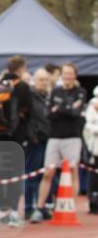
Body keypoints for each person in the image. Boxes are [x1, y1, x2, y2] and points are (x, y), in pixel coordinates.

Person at [31, 62, 87, 222]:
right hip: (54, 137)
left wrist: (61, 108)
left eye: (70, 73)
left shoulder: (80, 92)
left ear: (75, 75)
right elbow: (49, 113)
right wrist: (66, 109)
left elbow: (75, 113)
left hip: (72, 137)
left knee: (72, 170)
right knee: (48, 172)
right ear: (62, 75)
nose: (67, 76)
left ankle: (70, 206)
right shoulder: (55, 91)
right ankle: (39, 207)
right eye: (65, 73)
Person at [0, 55, 31, 226]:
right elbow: (29, 111)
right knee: (15, 174)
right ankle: (12, 210)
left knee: (0, 172)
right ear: (21, 68)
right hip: (16, 137)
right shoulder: (22, 86)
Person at [24, 68, 51, 219]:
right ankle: (29, 207)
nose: (44, 82)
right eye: (41, 79)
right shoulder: (29, 97)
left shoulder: (48, 97)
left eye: (46, 79)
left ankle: (42, 206)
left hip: (48, 140)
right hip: (34, 141)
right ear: (35, 81)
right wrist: (31, 136)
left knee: (46, 175)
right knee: (32, 174)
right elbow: (24, 118)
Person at [83, 86, 98, 215]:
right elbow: (88, 124)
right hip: (95, 148)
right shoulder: (93, 104)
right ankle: (93, 202)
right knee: (94, 176)